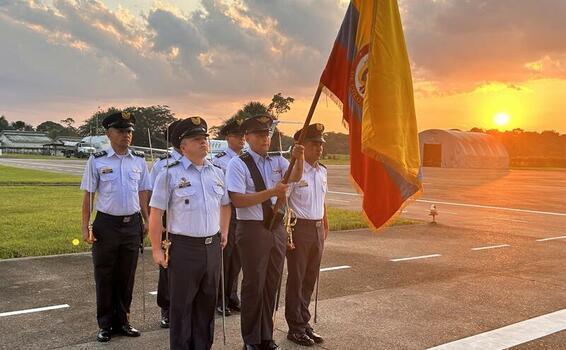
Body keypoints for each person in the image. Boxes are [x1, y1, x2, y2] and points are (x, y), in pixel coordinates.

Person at [149, 116, 231, 350]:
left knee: (206, 307)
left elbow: (225, 204)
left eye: (205, 137)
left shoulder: (216, 172)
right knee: (182, 308)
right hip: (184, 249)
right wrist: (156, 250)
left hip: (212, 247)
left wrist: (223, 230)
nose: (203, 142)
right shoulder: (169, 174)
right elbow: (156, 214)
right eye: (196, 139)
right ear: (183, 146)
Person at [226, 113, 304, 350]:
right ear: (247, 137)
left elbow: (295, 176)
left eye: (267, 134)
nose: (265, 138)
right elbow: (238, 200)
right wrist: (272, 192)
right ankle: (250, 340)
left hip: (276, 228)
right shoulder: (238, 164)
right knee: (253, 285)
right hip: (251, 230)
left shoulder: (278, 161)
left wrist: (298, 158)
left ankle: (266, 336)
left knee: (272, 284)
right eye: (259, 134)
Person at [80, 111, 151, 342]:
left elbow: (142, 193)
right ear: (108, 133)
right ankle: (105, 324)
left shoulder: (139, 160)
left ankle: (123, 321)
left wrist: (147, 219)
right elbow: (88, 197)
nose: (126, 135)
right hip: (106, 225)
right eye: (121, 131)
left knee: (126, 275)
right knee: (104, 275)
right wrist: (85, 228)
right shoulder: (97, 160)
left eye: (129, 131)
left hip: (132, 224)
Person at [285, 123, 329, 346]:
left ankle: (304, 321)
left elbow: (322, 200)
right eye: (314, 144)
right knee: (297, 279)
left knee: (310, 278)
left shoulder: (322, 171)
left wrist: (325, 223)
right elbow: (283, 199)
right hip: (299, 229)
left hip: (317, 228)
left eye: (320, 144)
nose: (319, 148)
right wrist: (286, 232)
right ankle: (295, 327)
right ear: (302, 146)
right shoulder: (295, 171)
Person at [148, 120, 182, 329]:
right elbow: (153, 196)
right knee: (168, 267)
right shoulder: (163, 163)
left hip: (191, 222)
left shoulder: (201, 161)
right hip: (168, 220)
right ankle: (167, 309)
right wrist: (157, 223)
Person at [212, 116, 245, 316]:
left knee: (238, 259)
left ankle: (232, 295)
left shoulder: (247, 158)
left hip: (243, 213)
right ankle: (220, 298)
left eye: (243, 135)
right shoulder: (220, 160)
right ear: (227, 137)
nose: (241, 139)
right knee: (225, 258)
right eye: (236, 135)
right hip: (226, 213)